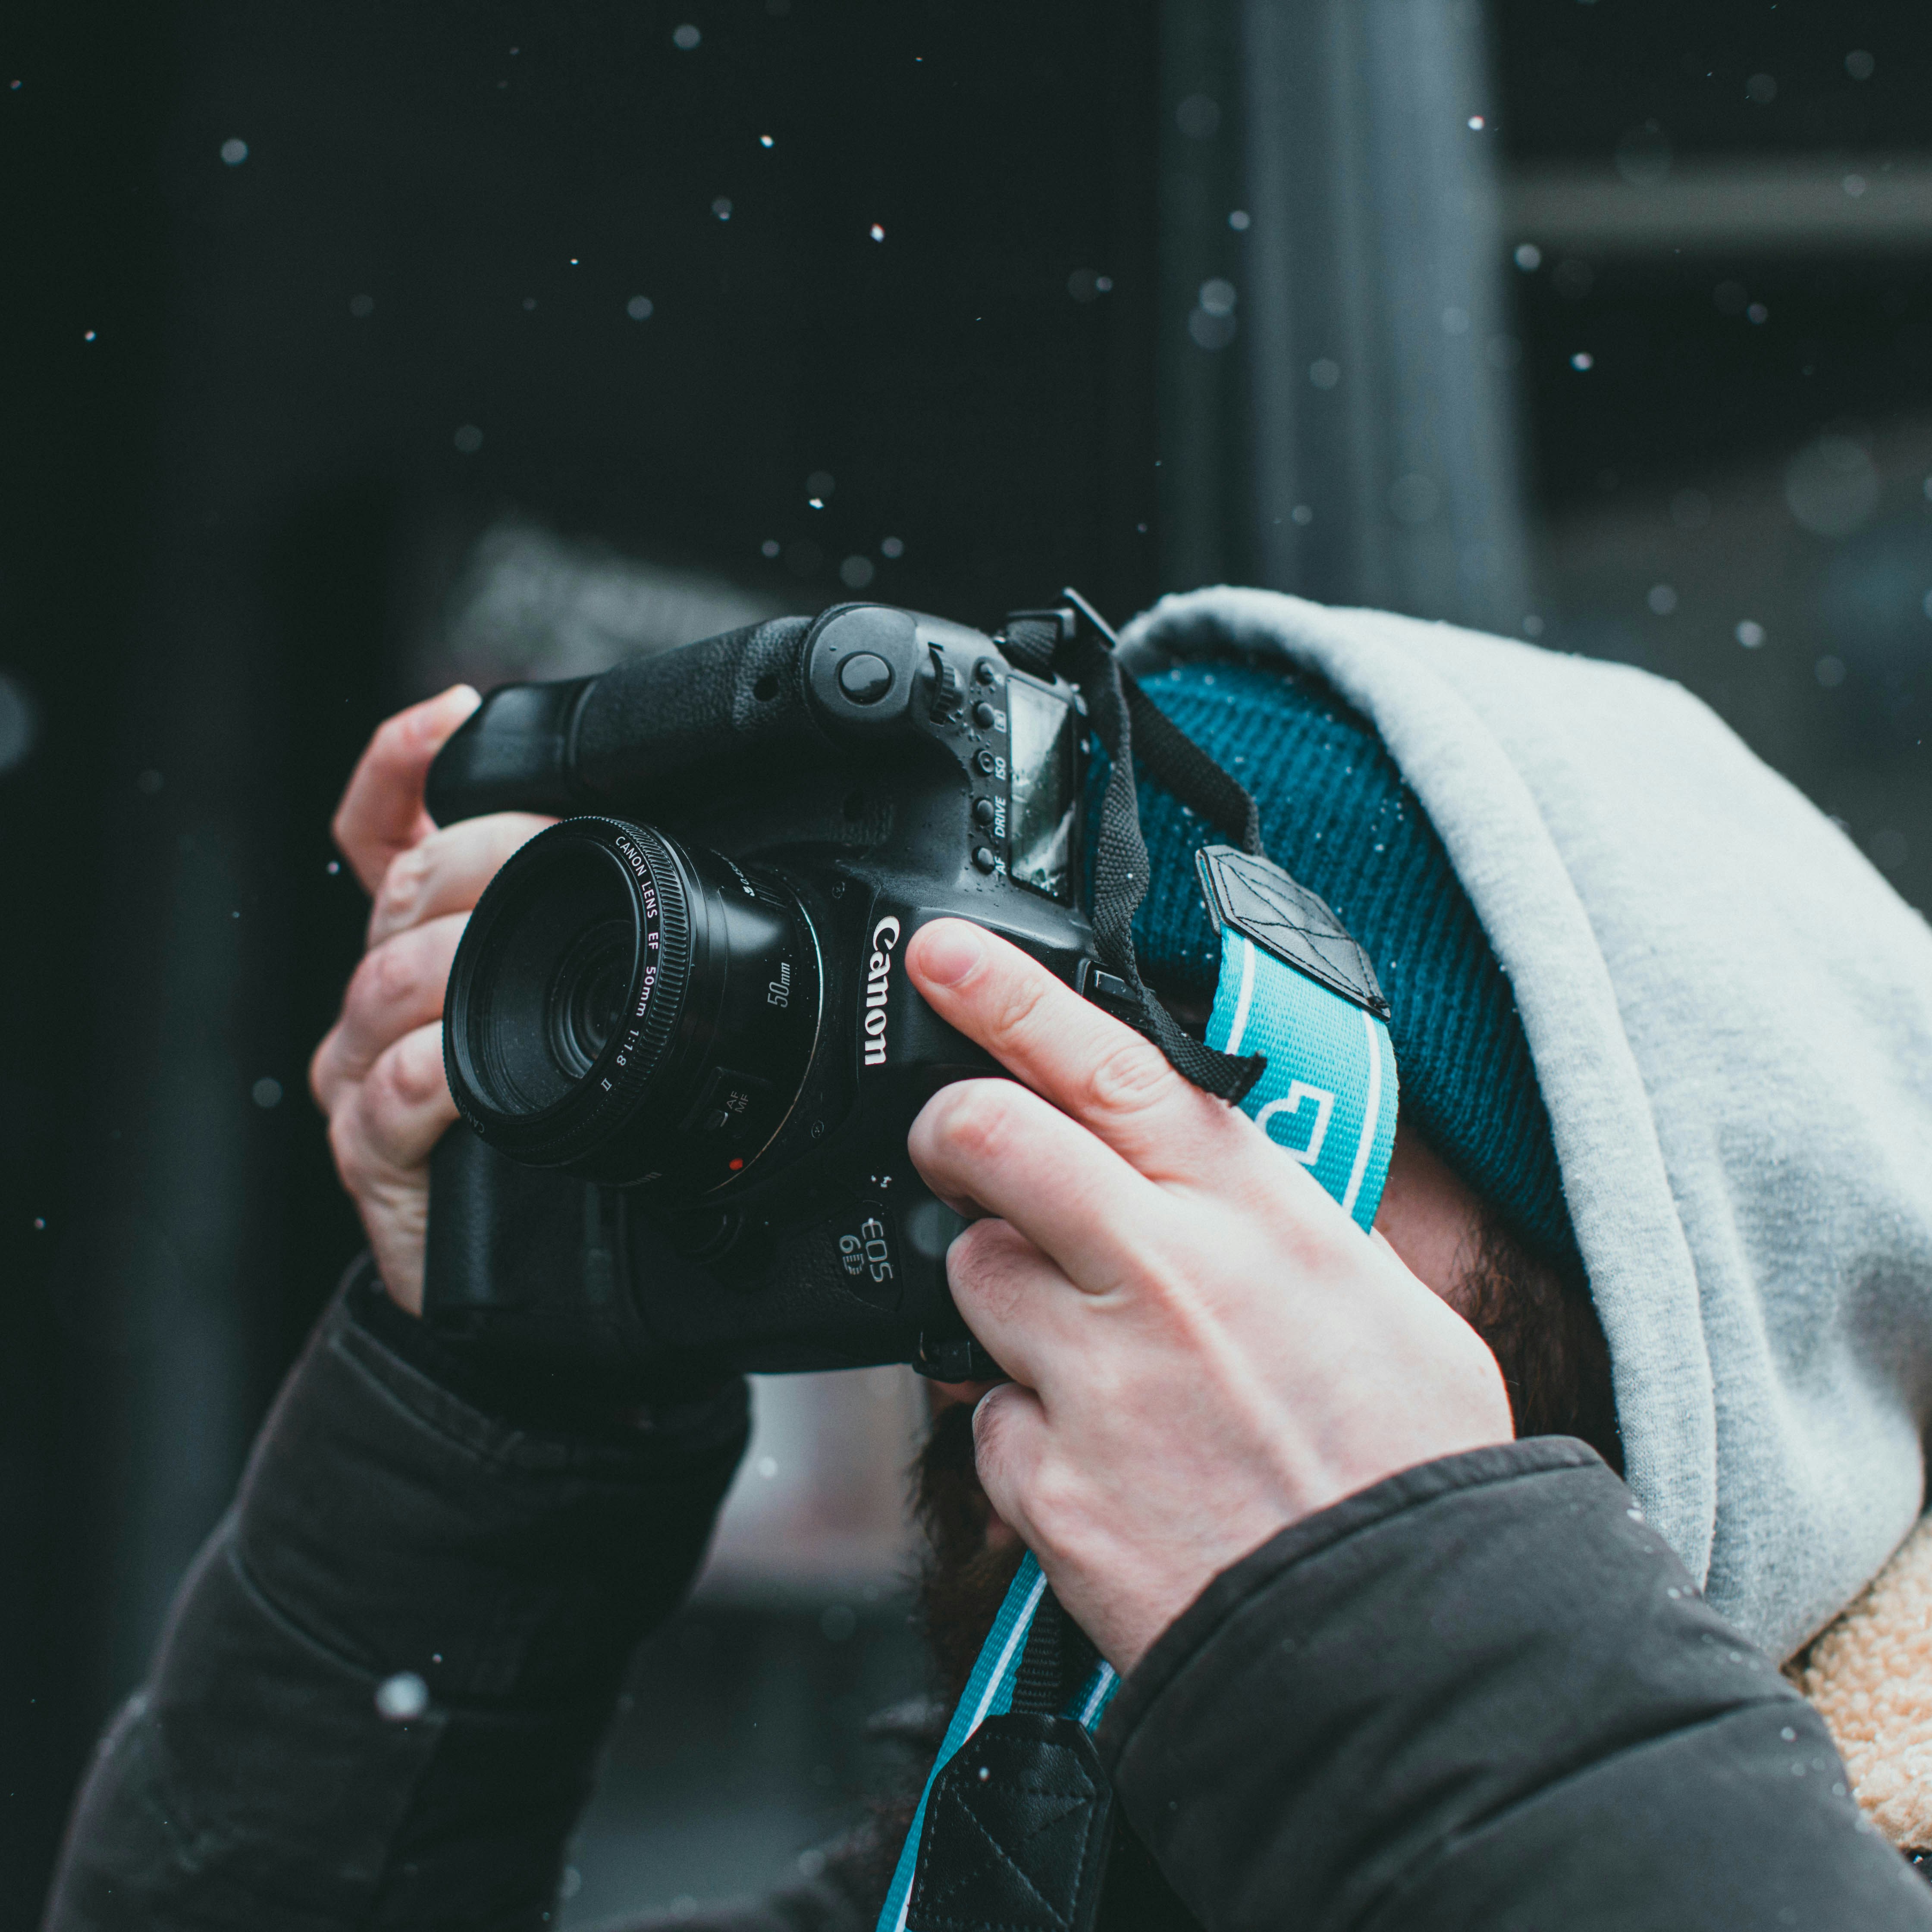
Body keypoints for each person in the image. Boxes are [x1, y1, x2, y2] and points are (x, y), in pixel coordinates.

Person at [43, 586, 1932, 1931]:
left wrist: (1375, 1604)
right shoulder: (998, 1875)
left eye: (1180, 1095)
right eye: (981, 1087)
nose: (1018, 1231)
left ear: (1652, 1276)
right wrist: (497, 1401)